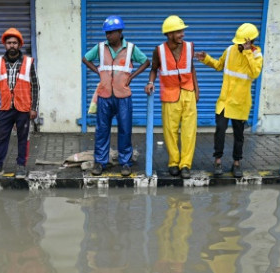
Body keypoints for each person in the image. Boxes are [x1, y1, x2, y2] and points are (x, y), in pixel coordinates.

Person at [82, 16, 150, 177]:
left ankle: (125, 162)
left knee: (125, 130)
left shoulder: (131, 48)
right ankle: (100, 162)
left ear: (120, 32)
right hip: (104, 95)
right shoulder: (100, 47)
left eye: (111, 33)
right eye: (106, 33)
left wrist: (131, 77)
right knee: (102, 130)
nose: (108, 36)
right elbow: (85, 59)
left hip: (123, 96)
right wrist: (98, 71)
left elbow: (146, 62)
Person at [196, 23, 263, 178]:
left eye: (243, 43)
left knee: (239, 135)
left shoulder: (256, 56)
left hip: (240, 102)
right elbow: (219, 65)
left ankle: (237, 163)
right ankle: (218, 161)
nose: (239, 46)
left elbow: (254, 73)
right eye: (239, 43)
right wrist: (206, 59)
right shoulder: (230, 50)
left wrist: (247, 53)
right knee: (220, 130)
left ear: (251, 42)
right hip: (225, 101)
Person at [145, 15, 199, 179]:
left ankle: (185, 165)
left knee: (189, 131)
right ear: (169, 34)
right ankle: (174, 162)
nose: (182, 34)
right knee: (170, 131)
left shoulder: (190, 47)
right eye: (179, 31)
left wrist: (197, 89)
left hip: (188, 92)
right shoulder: (159, 50)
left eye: (182, 31)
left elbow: (192, 68)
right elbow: (154, 69)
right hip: (169, 94)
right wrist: (150, 82)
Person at [0, 28, 40, 180]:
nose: (12, 45)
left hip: (23, 108)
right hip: (5, 107)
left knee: (23, 138)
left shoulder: (28, 62)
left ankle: (21, 166)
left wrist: (34, 108)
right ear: (5, 45)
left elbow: (35, 86)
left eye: (15, 42)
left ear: (20, 45)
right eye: (9, 43)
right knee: (1, 138)